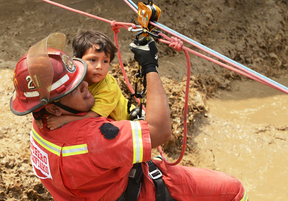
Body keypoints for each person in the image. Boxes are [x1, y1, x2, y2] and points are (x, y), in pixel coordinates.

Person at [10, 32, 249, 201]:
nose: (84, 85)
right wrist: (150, 67)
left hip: (83, 191)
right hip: (134, 191)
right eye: (74, 88)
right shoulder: (95, 138)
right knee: (234, 189)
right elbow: (161, 130)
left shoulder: (41, 120)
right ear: (53, 108)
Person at [35, 30, 136, 130]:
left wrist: (64, 119)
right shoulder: (72, 73)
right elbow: (52, 88)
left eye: (105, 61)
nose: (99, 66)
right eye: (93, 60)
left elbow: (94, 115)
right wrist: (38, 112)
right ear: (76, 60)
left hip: (125, 120)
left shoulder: (108, 88)